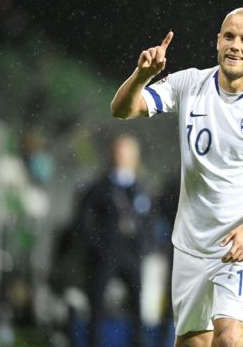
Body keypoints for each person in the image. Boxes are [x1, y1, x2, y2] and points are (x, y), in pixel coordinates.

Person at [111, 7, 243, 347]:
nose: (235, 45)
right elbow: (122, 110)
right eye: (229, 36)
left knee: (228, 338)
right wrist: (142, 75)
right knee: (193, 343)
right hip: (192, 245)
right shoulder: (189, 83)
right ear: (217, 41)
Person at [79, 135, 154, 347]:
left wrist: (144, 246)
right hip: (106, 253)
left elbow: (150, 221)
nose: (122, 157)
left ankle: (138, 343)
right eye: (119, 152)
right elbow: (87, 220)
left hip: (132, 253)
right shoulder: (100, 188)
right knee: (97, 303)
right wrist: (98, 246)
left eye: (127, 152)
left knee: (137, 305)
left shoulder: (142, 188)